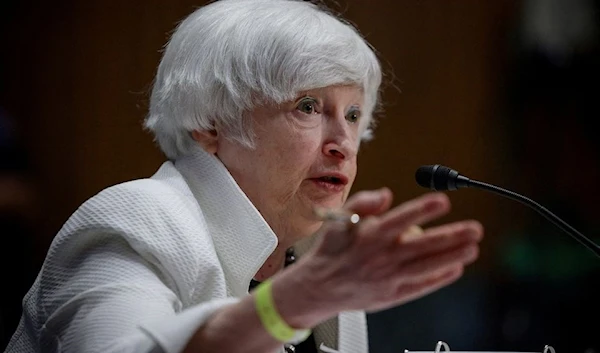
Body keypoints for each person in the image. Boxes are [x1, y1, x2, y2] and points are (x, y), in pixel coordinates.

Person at [3, 0, 484, 352]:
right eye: (308, 107)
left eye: (354, 114)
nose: (343, 141)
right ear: (212, 123)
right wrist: (298, 300)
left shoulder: (317, 254)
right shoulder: (136, 220)